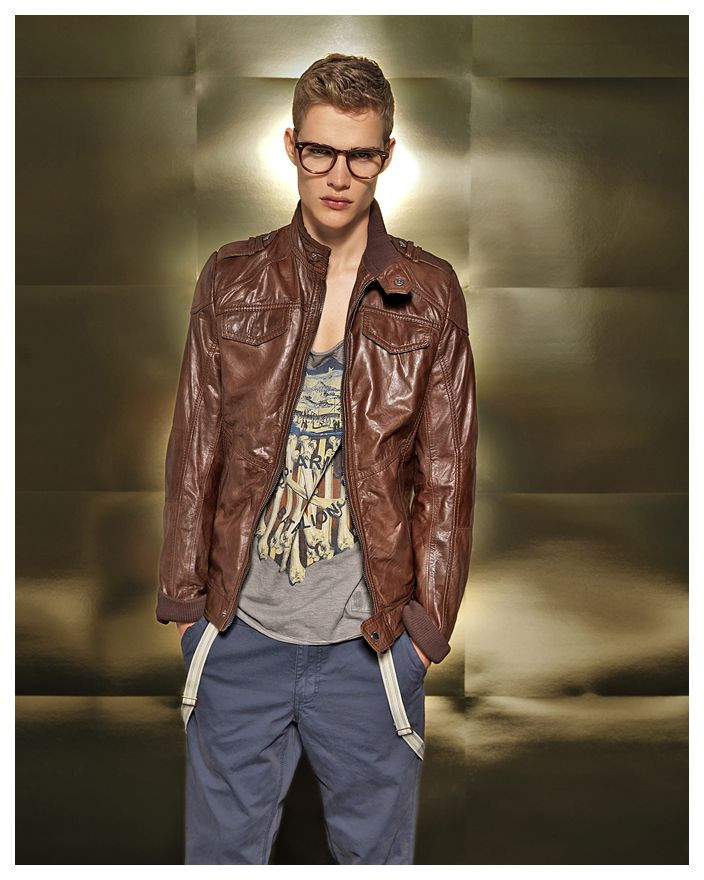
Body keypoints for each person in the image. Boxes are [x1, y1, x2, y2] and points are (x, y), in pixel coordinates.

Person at [155, 52, 478, 865]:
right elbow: (195, 446)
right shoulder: (230, 279)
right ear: (290, 146)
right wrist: (189, 614)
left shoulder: (430, 292)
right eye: (320, 151)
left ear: (387, 156)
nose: (339, 175)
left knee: (375, 863)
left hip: (370, 647)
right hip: (239, 636)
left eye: (360, 155)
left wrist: (423, 634)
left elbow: (447, 473)